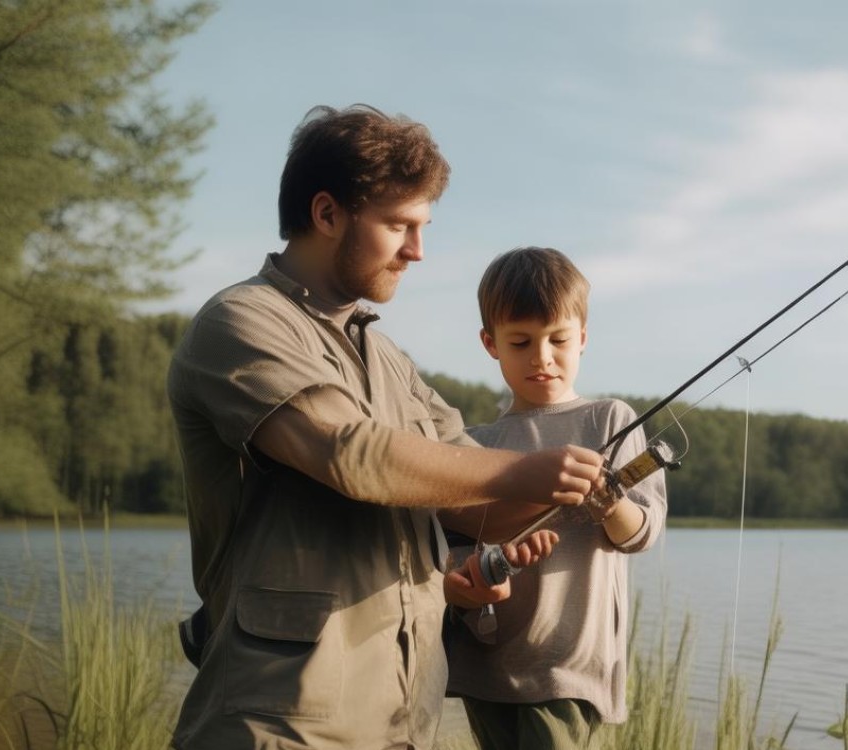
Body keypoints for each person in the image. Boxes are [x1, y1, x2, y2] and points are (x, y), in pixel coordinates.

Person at [166, 105, 603, 750]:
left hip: (402, 723)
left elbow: (480, 508)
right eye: (400, 225)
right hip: (282, 724)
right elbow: (351, 455)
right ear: (327, 213)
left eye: (422, 228)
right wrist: (526, 469)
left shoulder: (391, 361)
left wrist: (581, 486)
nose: (417, 251)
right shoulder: (240, 321)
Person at [439, 247, 668, 749]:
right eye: (520, 342)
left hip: (568, 667)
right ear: (490, 343)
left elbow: (643, 534)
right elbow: (449, 548)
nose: (542, 357)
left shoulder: (609, 420)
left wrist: (611, 505)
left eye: (558, 340)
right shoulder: (474, 443)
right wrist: (479, 567)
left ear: (582, 338)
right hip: (485, 665)